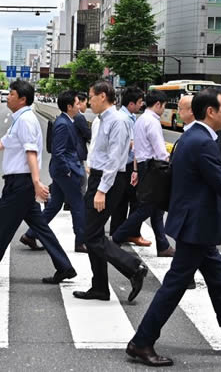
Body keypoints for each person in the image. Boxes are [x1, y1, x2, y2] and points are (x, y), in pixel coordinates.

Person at [126, 89, 221, 366]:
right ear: (210, 111)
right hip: (197, 225)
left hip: (197, 225)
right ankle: (141, 342)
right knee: (174, 286)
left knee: (219, 281)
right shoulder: (202, 142)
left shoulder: (191, 137)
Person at [0, 80, 77, 289]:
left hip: (20, 184)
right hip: (20, 183)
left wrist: (36, 182)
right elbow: (5, 142)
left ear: (22, 99)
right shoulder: (19, 119)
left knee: (1, 230)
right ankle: (64, 266)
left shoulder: (26, 120)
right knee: (41, 227)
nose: (7, 97)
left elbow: (31, 151)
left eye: (11, 94)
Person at [72, 81, 147, 302]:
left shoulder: (119, 121)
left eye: (91, 96)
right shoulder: (99, 120)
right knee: (91, 233)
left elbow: (115, 159)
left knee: (90, 235)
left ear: (103, 96)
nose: (89, 101)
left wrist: (102, 190)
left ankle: (133, 267)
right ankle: (100, 287)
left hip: (109, 181)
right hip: (98, 177)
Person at [21, 90, 87, 254]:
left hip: (61, 171)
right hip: (65, 171)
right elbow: (58, 152)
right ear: (69, 106)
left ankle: (30, 234)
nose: (80, 106)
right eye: (77, 103)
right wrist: (68, 171)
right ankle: (80, 242)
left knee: (55, 204)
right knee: (78, 205)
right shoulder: (64, 124)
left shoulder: (66, 121)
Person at [112, 90, 174, 256]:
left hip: (143, 165)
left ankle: (163, 246)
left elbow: (138, 148)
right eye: (164, 106)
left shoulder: (140, 120)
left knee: (156, 208)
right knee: (146, 208)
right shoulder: (152, 122)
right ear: (158, 104)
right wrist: (169, 164)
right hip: (153, 167)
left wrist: (136, 170)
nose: (163, 110)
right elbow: (160, 150)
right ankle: (116, 238)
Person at [110, 86, 148, 243]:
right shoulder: (125, 119)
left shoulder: (126, 117)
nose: (141, 105)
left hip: (124, 165)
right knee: (135, 201)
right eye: (139, 102)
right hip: (126, 165)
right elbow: (131, 144)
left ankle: (118, 231)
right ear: (131, 104)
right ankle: (129, 232)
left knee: (122, 201)